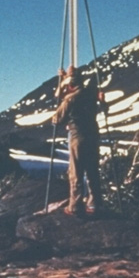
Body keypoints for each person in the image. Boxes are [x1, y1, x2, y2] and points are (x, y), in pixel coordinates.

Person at [52, 66, 106, 217]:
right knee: (92, 170)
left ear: (70, 86)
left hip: (78, 137)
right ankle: (94, 203)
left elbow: (56, 119)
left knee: (76, 171)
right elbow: (103, 108)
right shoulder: (90, 93)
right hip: (93, 136)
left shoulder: (71, 98)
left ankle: (75, 206)